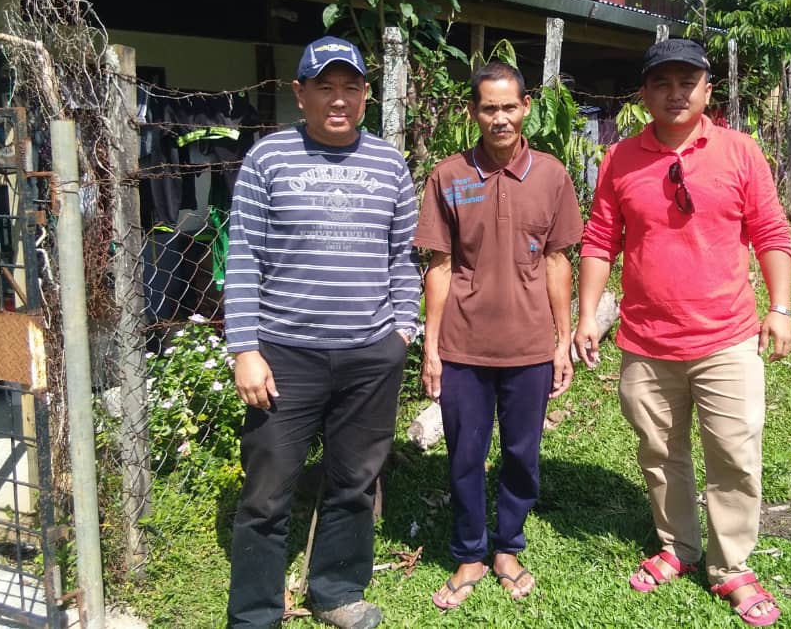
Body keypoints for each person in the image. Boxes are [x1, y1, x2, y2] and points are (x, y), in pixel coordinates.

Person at [573, 39, 791, 627]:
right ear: (644, 94)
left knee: (735, 453)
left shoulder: (741, 152)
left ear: (707, 91)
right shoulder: (619, 159)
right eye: (662, 83)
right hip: (647, 342)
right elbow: (600, 239)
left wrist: (781, 308)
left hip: (726, 336)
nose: (675, 93)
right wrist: (586, 315)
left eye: (687, 82)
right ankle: (678, 546)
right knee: (659, 450)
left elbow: (770, 231)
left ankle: (732, 565)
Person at [224, 35, 420, 629]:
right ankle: (255, 614)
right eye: (325, 87)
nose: (339, 99)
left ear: (366, 95)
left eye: (350, 87)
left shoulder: (389, 163)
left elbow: (402, 257)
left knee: (354, 482)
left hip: (370, 355)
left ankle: (335, 591)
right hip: (285, 356)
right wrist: (245, 348)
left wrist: (402, 332)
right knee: (266, 493)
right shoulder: (268, 159)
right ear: (300, 93)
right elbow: (243, 256)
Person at [412, 61, 583, 610]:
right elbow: (439, 266)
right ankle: (469, 553)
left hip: (529, 347)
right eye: (489, 108)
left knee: (521, 454)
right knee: (465, 454)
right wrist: (431, 349)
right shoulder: (449, 176)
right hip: (463, 346)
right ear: (473, 112)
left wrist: (561, 341)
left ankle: (508, 546)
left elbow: (557, 261)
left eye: (510, 106)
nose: (501, 118)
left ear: (527, 107)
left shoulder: (552, 176)